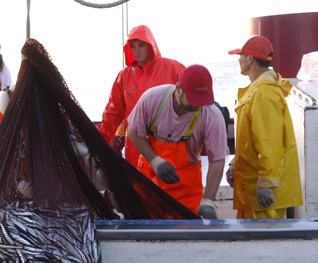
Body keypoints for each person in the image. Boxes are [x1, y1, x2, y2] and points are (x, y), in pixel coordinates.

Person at [127, 65, 227, 219]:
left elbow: (217, 160)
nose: (199, 104)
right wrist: (155, 161)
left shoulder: (212, 115)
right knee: (146, 227)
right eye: (194, 99)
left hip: (186, 191)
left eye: (203, 99)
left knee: (185, 233)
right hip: (149, 183)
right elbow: (134, 133)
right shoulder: (152, 99)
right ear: (179, 88)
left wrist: (208, 200)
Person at [226, 35, 302, 219]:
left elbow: (270, 143)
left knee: (263, 246)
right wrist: (234, 164)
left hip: (263, 197)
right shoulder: (257, 90)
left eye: (241, 55)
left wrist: (266, 183)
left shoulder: (264, 94)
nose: (238, 59)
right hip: (251, 193)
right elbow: (250, 140)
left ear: (250, 59)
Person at [97, 25, 185, 168]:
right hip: (136, 152)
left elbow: (194, 104)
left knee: (168, 188)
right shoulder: (123, 76)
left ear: (151, 45)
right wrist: (94, 139)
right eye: (133, 46)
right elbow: (113, 114)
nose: (137, 51)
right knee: (139, 189)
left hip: (169, 150)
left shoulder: (174, 68)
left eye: (141, 45)